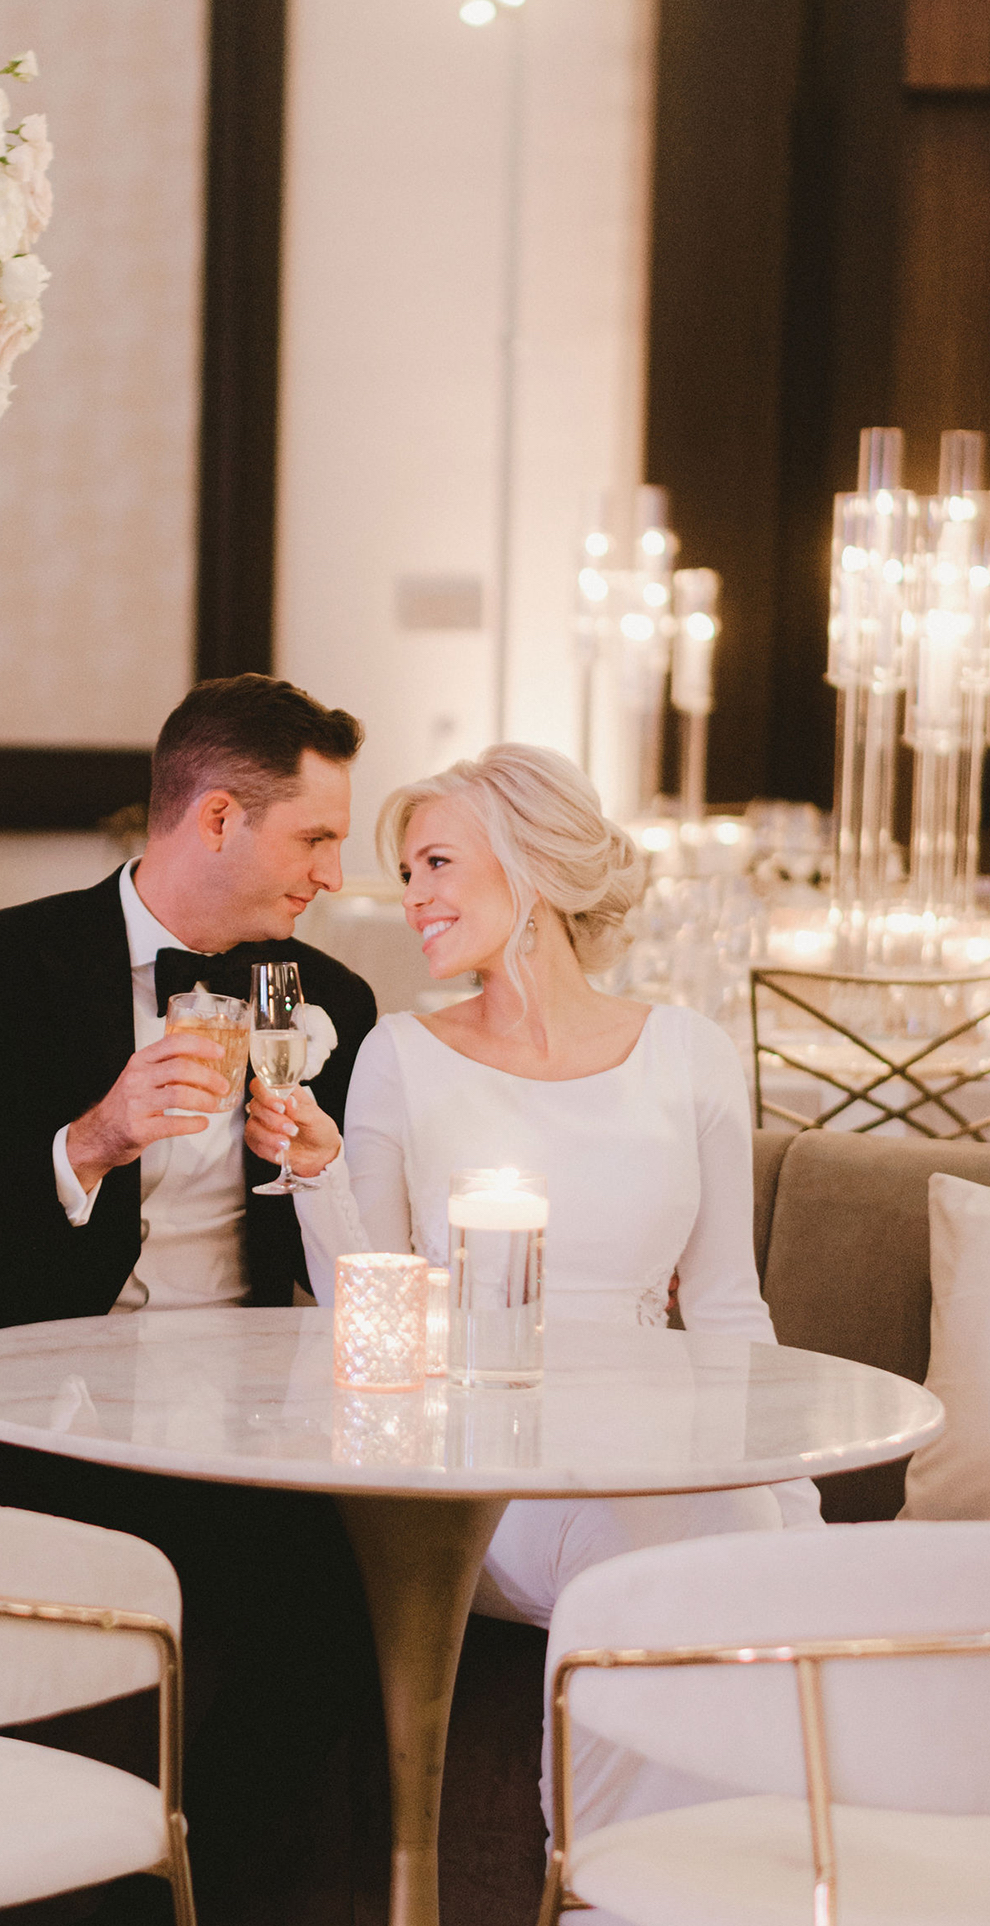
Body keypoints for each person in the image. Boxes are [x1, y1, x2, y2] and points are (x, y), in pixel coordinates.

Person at [0, 674, 382, 1923]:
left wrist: (317, 1166)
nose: (331, 876)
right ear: (214, 820)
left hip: (255, 1424)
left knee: (325, 1653)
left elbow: (342, 1267)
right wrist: (89, 1143)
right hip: (42, 1401)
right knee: (58, 1686)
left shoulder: (328, 1000)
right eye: (313, 839)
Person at [246, 741, 822, 1843]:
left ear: (533, 865)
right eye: (406, 871)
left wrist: (792, 1502)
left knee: (733, 1533)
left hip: (668, 1445)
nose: (413, 897)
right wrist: (315, 1173)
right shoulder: (399, 1058)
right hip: (490, 1467)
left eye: (438, 864)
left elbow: (730, 1313)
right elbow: (365, 1319)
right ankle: (619, 1883)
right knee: (658, 1546)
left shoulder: (692, 1053)